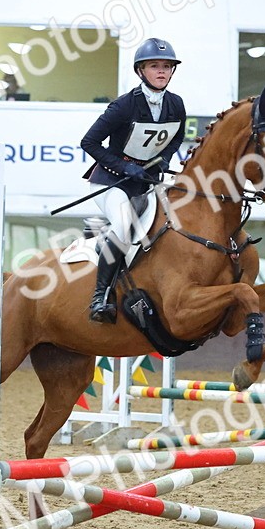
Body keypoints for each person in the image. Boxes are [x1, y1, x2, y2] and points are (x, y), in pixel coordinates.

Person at [80, 38, 187, 323]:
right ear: (141, 70)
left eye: (167, 67)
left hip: (145, 183)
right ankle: (100, 296)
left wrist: (162, 161)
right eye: (155, 66)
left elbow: (176, 136)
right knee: (125, 226)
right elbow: (89, 142)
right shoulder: (123, 106)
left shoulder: (175, 104)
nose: (162, 72)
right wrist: (125, 167)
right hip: (110, 183)